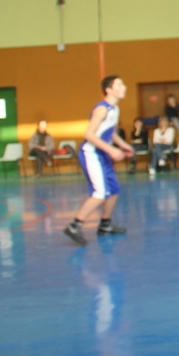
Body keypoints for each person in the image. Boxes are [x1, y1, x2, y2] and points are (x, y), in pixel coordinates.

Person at [63, 75, 135, 245]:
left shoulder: (115, 109)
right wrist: (111, 150)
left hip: (102, 154)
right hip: (91, 153)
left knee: (114, 189)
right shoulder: (102, 109)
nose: (124, 87)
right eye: (119, 84)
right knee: (100, 193)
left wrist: (124, 146)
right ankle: (74, 226)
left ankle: (105, 224)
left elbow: (111, 132)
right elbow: (89, 134)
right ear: (109, 90)